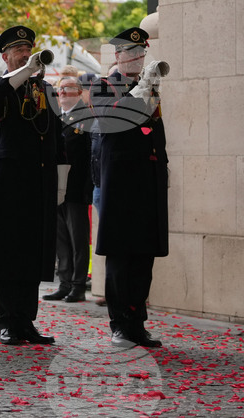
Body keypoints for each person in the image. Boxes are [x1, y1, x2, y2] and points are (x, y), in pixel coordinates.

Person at [0, 25, 60, 346]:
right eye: (19, 51)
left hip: (38, 179)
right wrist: (25, 70)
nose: (27, 54)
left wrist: (60, 179)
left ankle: (26, 320)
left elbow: (54, 134)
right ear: (6, 56)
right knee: (8, 250)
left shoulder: (44, 89)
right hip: (10, 181)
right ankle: (7, 321)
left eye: (29, 50)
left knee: (32, 250)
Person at [92, 28, 167, 347]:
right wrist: (146, 87)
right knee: (122, 255)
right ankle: (120, 323)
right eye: (133, 54)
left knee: (143, 254)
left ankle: (137, 321)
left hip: (146, 179)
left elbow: (156, 133)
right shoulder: (102, 86)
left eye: (142, 54)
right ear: (118, 56)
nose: (139, 59)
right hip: (120, 181)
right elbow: (115, 121)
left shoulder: (148, 87)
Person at [42, 74, 93, 303]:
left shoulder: (88, 119)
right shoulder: (55, 118)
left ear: (79, 92)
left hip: (76, 189)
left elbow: (91, 157)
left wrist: (87, 188)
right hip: (57, 187)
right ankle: (64, 282)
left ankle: (78, 284)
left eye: (68, 89)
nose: (61, 93)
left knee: (78, 239)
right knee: (60, 238)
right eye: (60, 89)